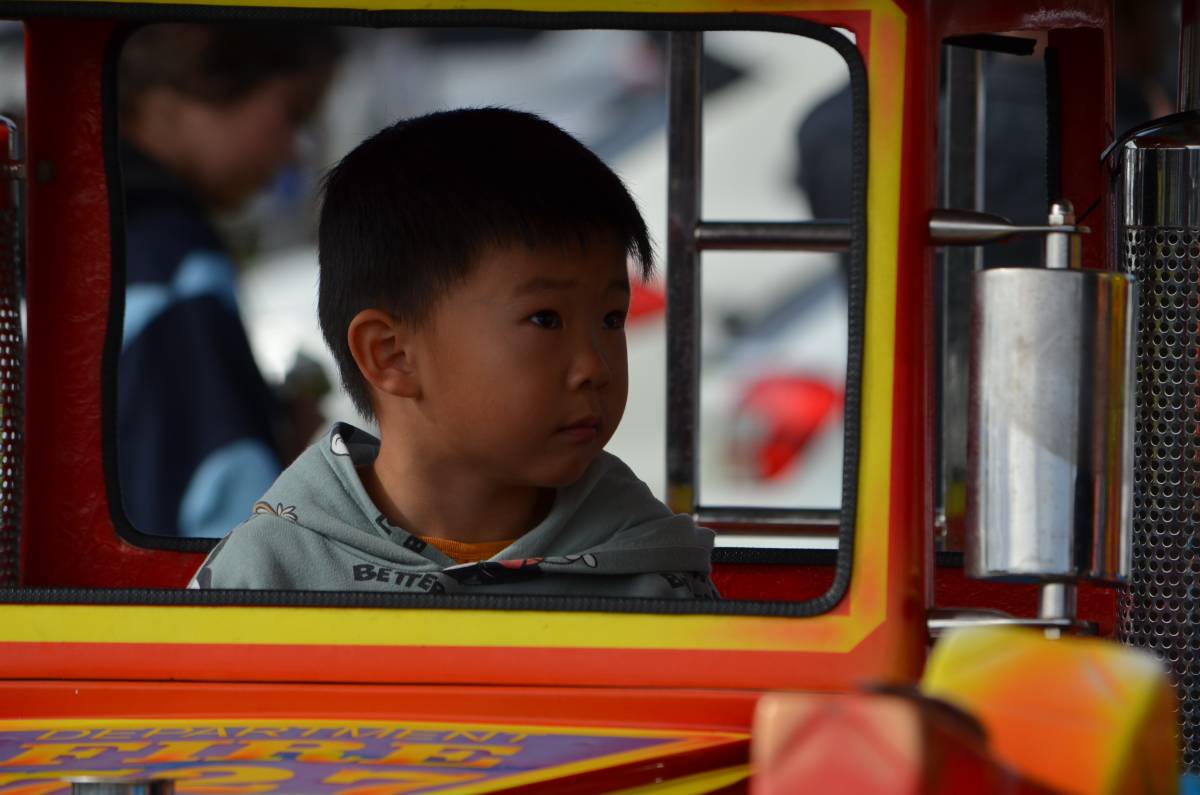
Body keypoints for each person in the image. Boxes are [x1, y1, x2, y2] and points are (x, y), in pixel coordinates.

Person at [189, 108, 717, 597]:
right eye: (545, 319)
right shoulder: (266, 577)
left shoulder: (654, 578)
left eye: (611, 319)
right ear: (391, 355)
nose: (594, 368)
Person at [117, 24, 340, 538]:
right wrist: (292, 467)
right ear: (191, 91)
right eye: (292, 114)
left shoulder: (112, 238)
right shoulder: (178, 269)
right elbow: (228, 522)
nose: (293, 152)